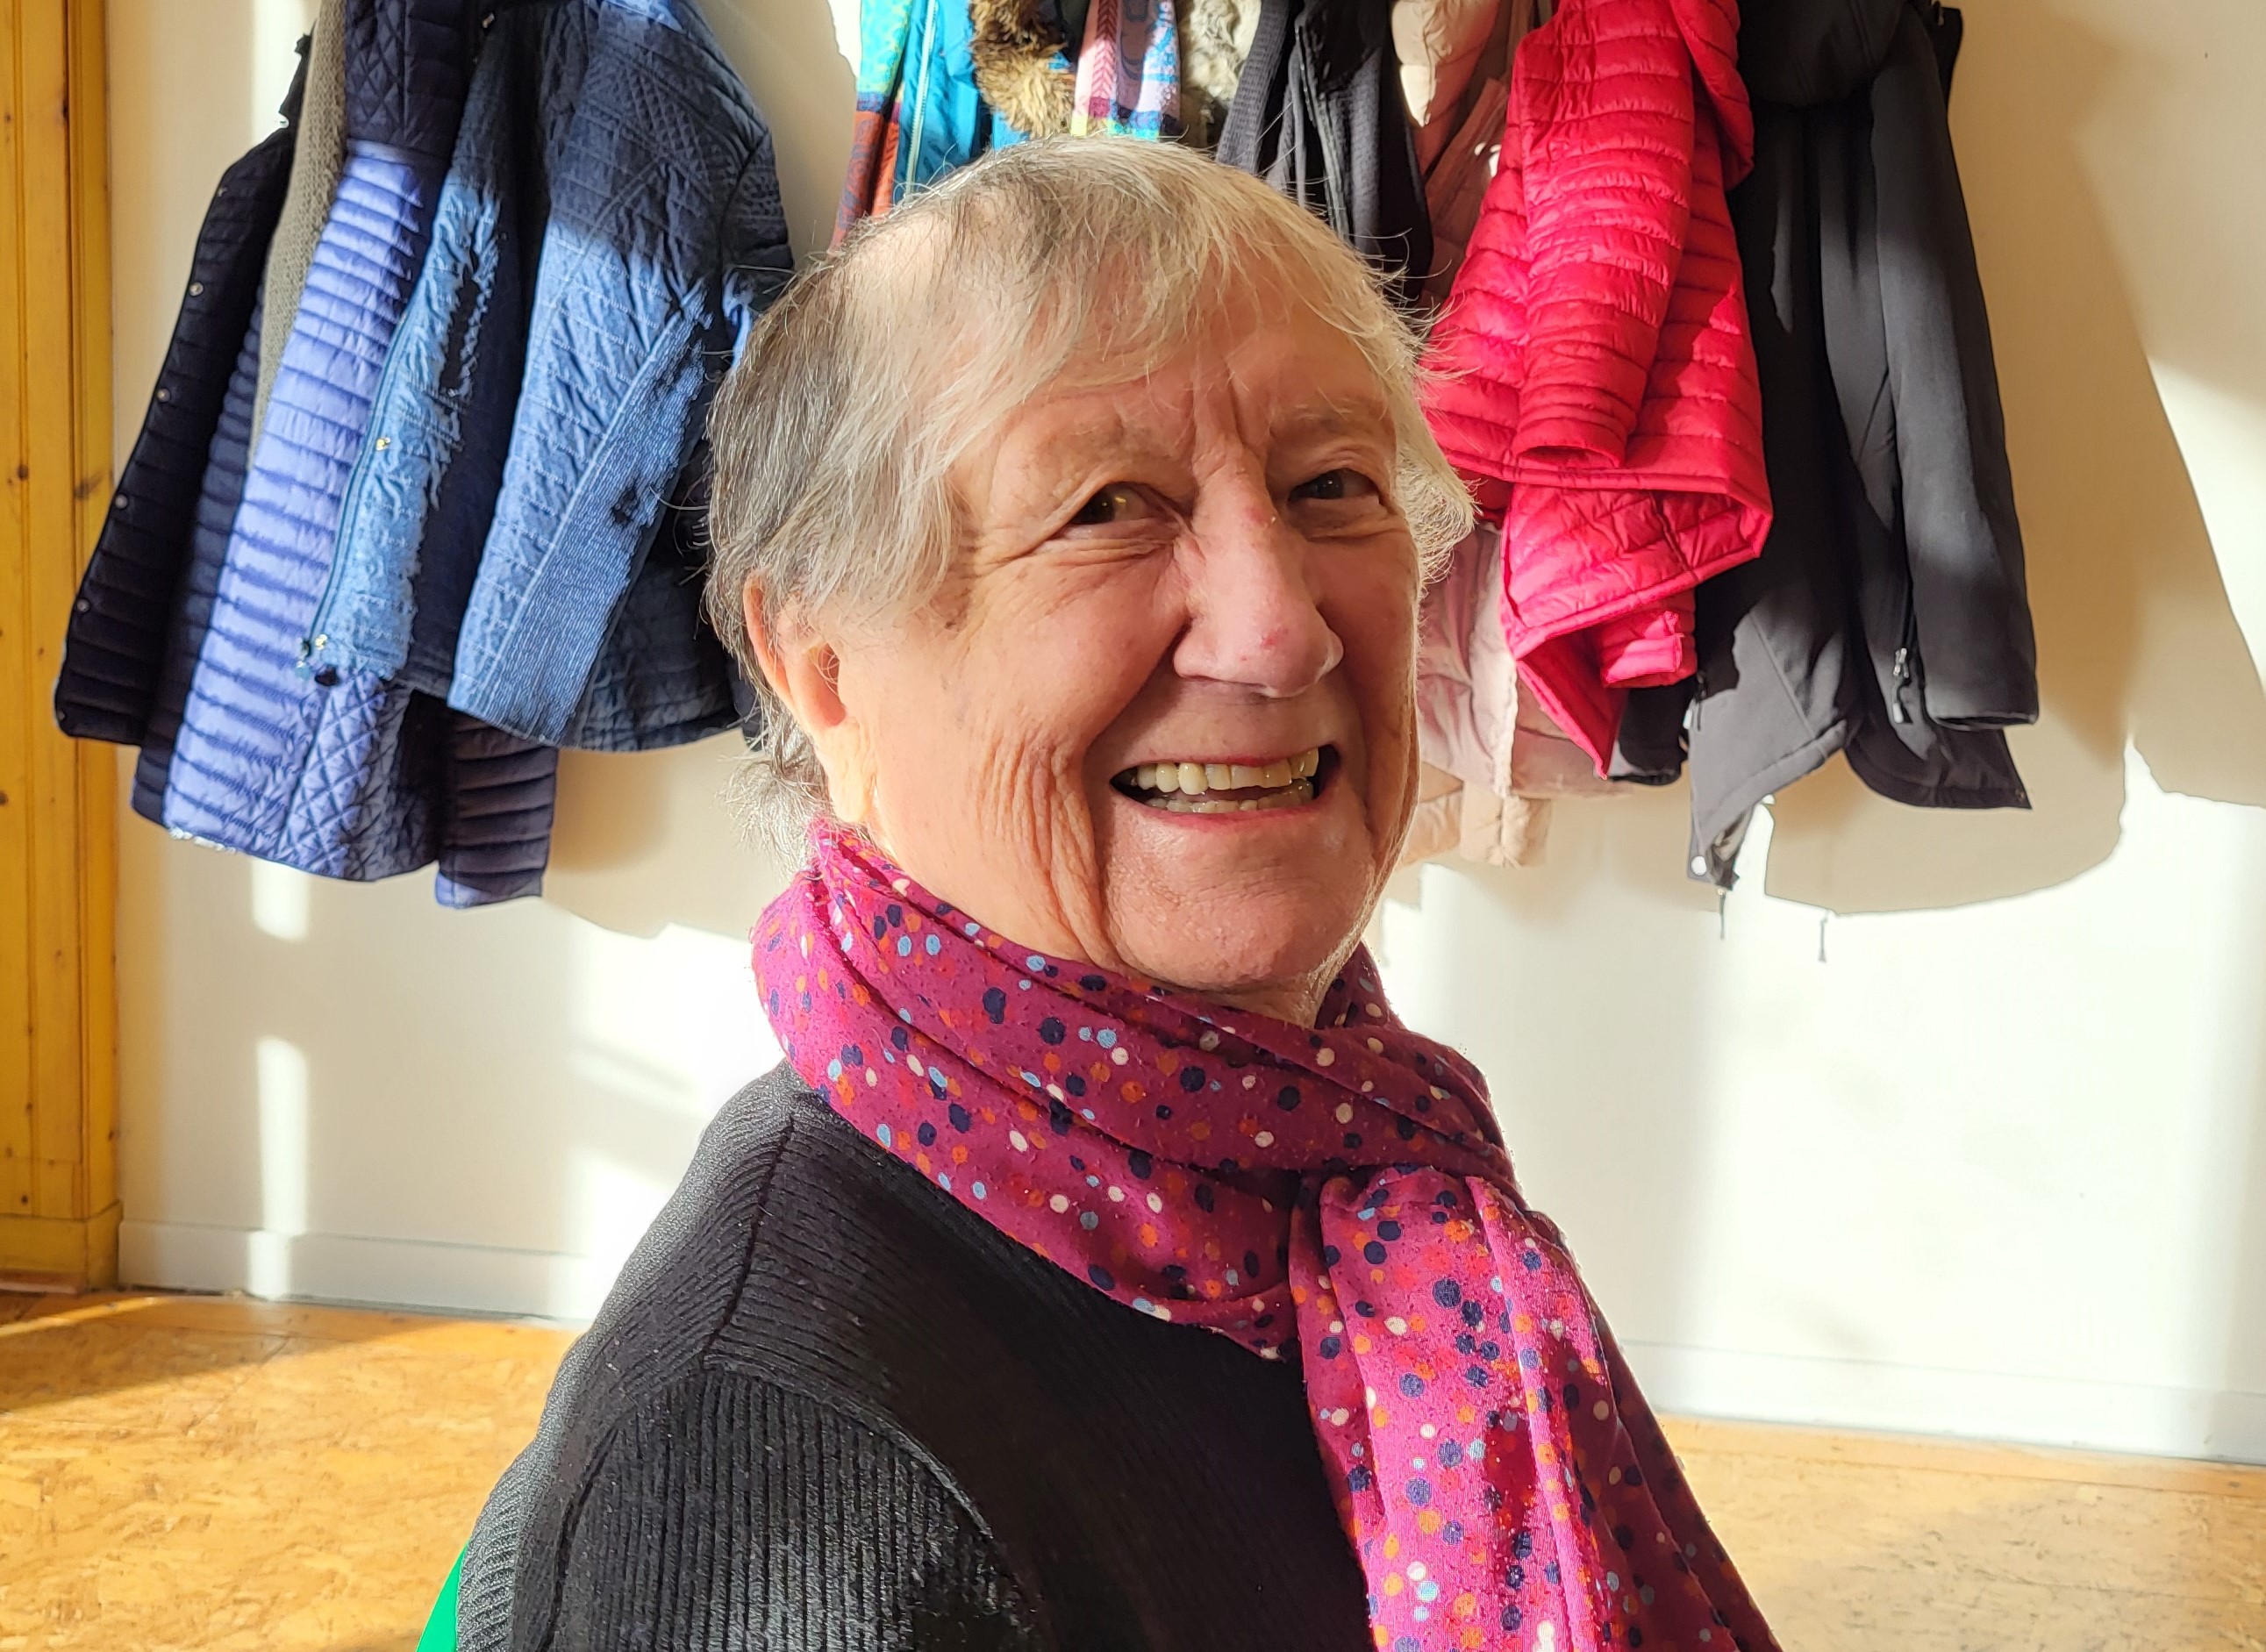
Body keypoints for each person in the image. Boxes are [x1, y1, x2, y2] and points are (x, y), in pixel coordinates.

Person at [442, 138, 1781, 1652]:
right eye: (1105, 507)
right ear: (824, 672)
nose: (1279, 632)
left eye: (1331, 486)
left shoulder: (1335, 1161)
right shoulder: (776, 1476)